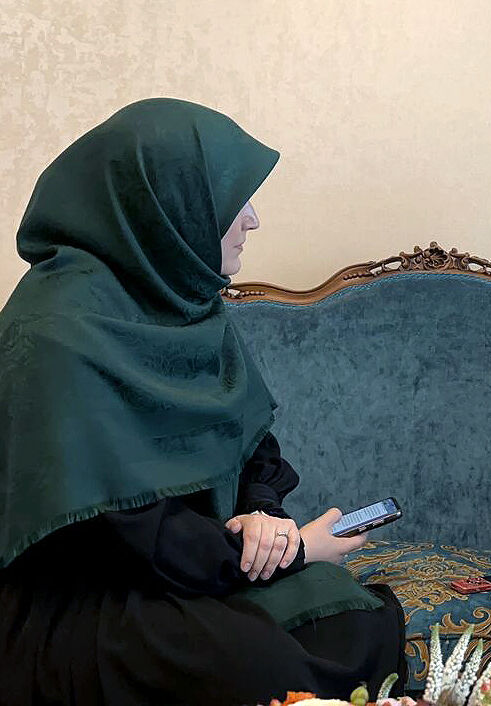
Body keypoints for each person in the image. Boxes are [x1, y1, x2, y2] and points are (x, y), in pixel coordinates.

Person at [0, 99, 406, 705]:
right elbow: (121, 533)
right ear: (164, 207)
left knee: (357, 621)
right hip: (89, 597)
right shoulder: (55, 333)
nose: (252, 220)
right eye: (231, 200)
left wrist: (262, 515)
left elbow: (251, 448)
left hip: (198, 568)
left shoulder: (183, 298)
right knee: (260, 665)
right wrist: (292, 551)